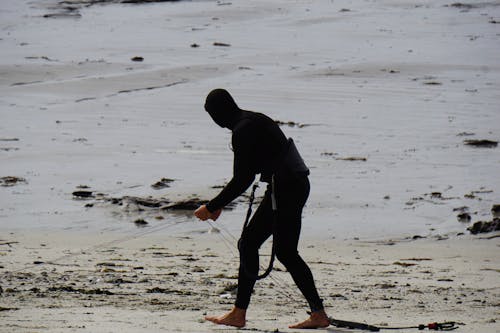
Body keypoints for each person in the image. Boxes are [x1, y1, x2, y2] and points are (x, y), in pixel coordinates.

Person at [194, 89, 330, 329]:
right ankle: (318, 314)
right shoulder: (254, 119)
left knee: (252, 244)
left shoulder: (242, 131)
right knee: (283, 251)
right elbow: (255, 167)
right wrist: (219, 205)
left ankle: (239, 314)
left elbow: (243, 179)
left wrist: (212, 206)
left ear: (216, 115)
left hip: (286, 187)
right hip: (295, 183)